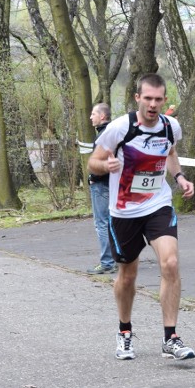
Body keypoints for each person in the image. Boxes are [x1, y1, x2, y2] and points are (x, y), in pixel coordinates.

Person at [87, 73, 195, 361]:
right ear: (137, 98)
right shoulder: (119, 128)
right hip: (123, 212)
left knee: (170, 263)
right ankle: (124, 331)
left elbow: (170, 152)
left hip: (157, 204)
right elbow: (93, 161)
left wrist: (180, 177)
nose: (153, 104)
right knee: (128, 275)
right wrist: (105, 164)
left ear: (164, 100)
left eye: (158, 99)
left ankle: (170, 337)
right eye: (147, 98)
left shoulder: (170, 126)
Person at [86, 103, 116, 275]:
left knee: (102, 223)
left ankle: (107, 262)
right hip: (112, 184)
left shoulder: (103, 136)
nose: (91, 117)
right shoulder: (113, 134)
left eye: (93, 114)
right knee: (113, 222)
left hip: (102, 185)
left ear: (102, 116)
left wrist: (94, 178)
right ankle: (117, 259)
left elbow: (103, 163)